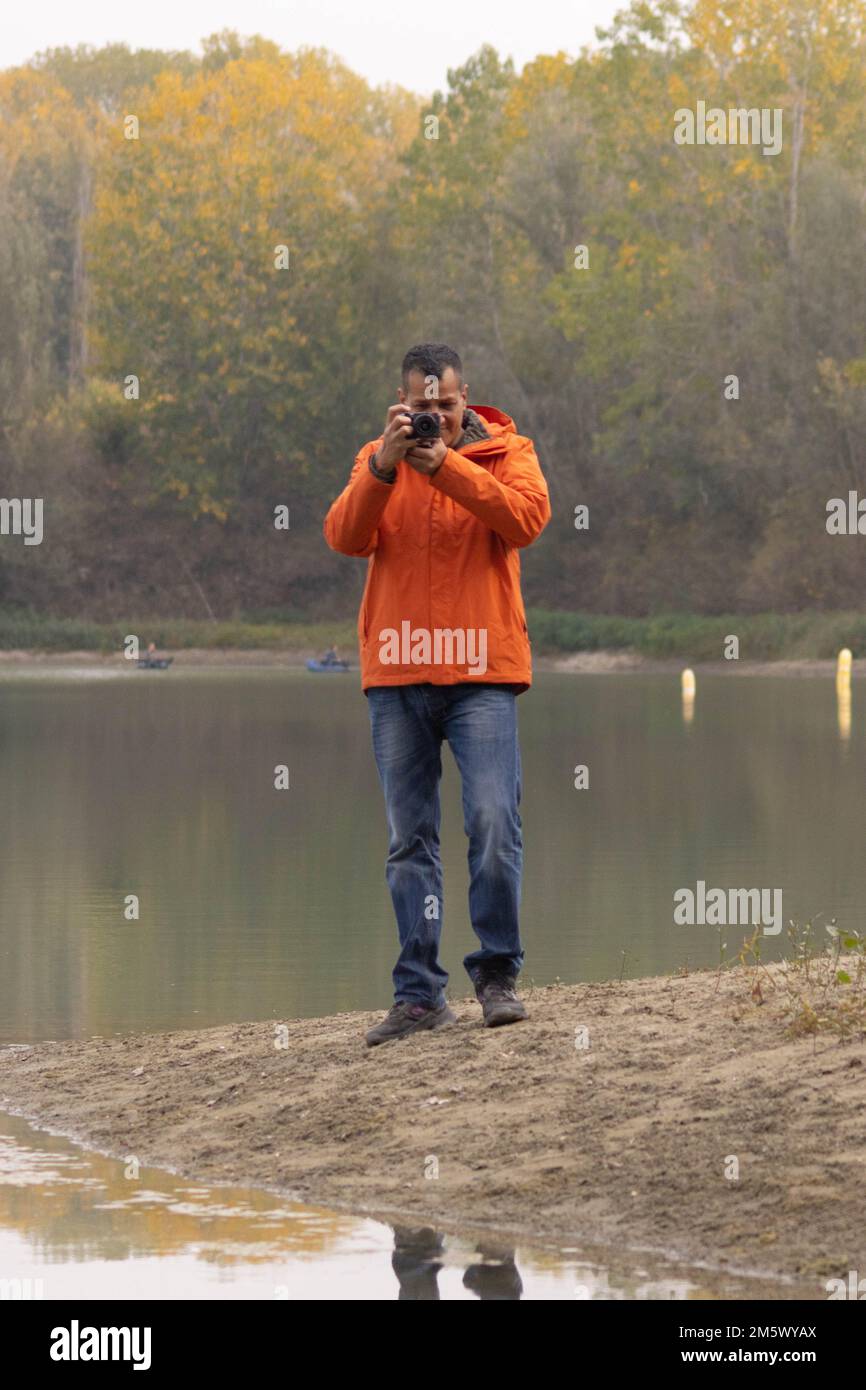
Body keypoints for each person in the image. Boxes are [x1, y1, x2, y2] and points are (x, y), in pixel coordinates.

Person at [323, 343, 551, 1046]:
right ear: (400, 404)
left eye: (445, 407)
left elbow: (526, 521)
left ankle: (497, 977)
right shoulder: (378, 460)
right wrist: (384, 468)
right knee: (408, 841)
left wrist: (446, 467)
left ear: (465, 400)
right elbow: (343, 536)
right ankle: (419, 995)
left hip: (481, 673)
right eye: (421, 409)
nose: (434, 420)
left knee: (491, 823)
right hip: (398, 676)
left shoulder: (508, 452)